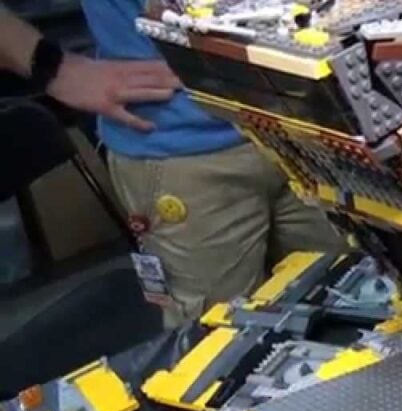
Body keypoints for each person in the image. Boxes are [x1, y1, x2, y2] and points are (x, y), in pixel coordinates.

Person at [0, 3, 344, 327]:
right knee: (219, 335)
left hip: (305, 123)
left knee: (344, 296)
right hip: (183, 148)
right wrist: (52, 68)